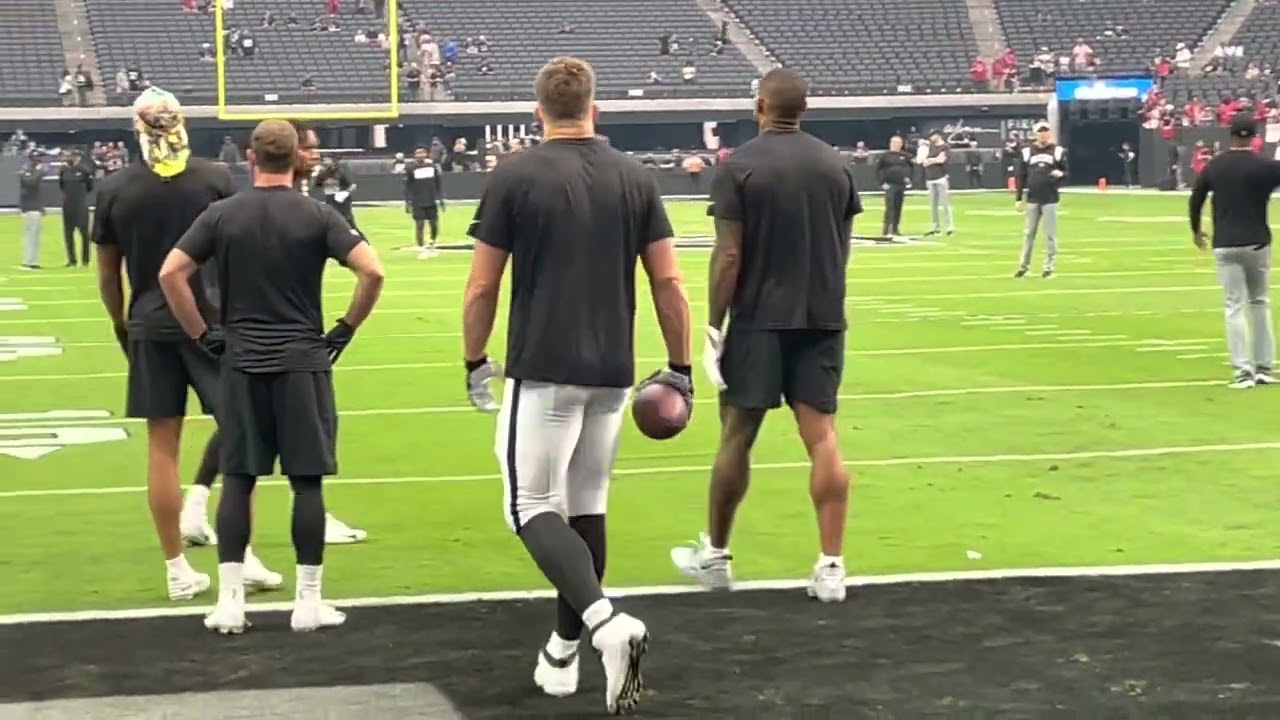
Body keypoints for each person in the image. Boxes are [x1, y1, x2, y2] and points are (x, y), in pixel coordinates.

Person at [461, 56, 691, 714]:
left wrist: (475, 358)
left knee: (529, 507)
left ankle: (604, 624)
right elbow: (668, 283)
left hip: (545, 367)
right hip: (612, 371)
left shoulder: (516, 174)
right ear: (596, 106)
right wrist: (678, 367)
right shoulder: (634, 175)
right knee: (585, 508)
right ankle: (562, 656)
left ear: (539, 112)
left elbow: (482, 284)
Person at [158, 119, 385, 633]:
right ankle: (307, 602)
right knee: (307, 483)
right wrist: (345, 329)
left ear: (250, 157)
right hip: (303, 362)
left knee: (237, 480)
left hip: (242, 361)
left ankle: (231, 602)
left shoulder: (221, 215)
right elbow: (372, 271)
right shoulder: (317, 214)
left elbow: (171, 272)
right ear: (298, 158)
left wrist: (202, 334)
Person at [669, 67, 860, 604]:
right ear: (805, 108)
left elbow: (729, 254)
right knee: (822, 436)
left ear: (760, 107)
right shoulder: (836, 165)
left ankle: (717, 556)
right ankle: (831, 566)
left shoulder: (740, 167)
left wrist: (713, 322)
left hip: (757, 316)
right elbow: (841, 249)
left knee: (737, 434)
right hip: (821, 314)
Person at [92, 87, 283, 601]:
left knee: (162, 447)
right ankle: (240, 558)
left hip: (150, 323)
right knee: (241, 437)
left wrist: (120, 322)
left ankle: (177, 568)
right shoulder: (214, 179)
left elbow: (108, 275)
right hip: (210, 321)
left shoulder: (114, 189)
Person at [1189, 111, 1278, 389]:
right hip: (1256, 242)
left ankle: (1242, 371)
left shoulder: (1215, 166)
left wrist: (1196, 229)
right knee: (1259, 303)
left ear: (1229, 135)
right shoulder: (1264, 166)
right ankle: (1264, 367)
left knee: (1234, 307)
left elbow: (1196, 197)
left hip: (1225, 243)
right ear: (1255, 137)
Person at [1014, 120, 1067, 279]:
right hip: (1032, 198)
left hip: (1050, 198)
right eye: (1040, 131)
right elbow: (1020, 176)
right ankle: (1024, 266)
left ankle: (1049, 267)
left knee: (1050, 234)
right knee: (1029, 233)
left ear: (1049, 133)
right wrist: (1018, 197)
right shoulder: (1027, 152)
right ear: (1035, 134)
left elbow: (1067, 173)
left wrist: (1059, 176)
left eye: (1045, 131)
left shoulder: (1058, 151)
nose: (1043, 134)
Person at [404, 144, 445, 258]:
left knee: (434, 223)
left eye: (422, 152)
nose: (420, 155)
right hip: (417, 201)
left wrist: (441, 198)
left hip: (431, 200)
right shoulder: (410, 168)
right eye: (417, 153)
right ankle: (420, 245)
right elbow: (408, 186)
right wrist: (408, 202)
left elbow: (438, 183)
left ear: (426, 154)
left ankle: (432, 241)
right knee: (420, 224)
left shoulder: (432, 167)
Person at [58, 150, 94, 267]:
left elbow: (90, 186)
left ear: (77, 157)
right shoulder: (63, 171)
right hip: (68, 205)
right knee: (68, 234)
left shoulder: (84, 170)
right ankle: (72, 260)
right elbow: (61, 186)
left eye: (72, 156)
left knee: (84, 234)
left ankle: (85, 260)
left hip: (81, 206)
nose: (69, 158)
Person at [313, 155, 362, 236]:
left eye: (326, 160)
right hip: (330, 198)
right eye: (323, 161)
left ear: (332, 161)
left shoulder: (340, 171)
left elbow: (353, 186)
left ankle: (362, 241)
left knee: (348, 222)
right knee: (331, 222)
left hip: (341, 199)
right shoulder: (323, 173)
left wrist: (345, 193)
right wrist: (314, 175)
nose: (324, 162)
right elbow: (317, 185)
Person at [875, 136, 910, 237]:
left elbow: (911, 167)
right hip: (890, 185)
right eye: (894, 143)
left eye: (899, 143)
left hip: (901, 185)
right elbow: (877, 170)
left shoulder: (904, 156)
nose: (896, 145)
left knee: (898, 207)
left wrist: (908, 178)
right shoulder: (885, 156)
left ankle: (895, 229)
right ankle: (886, 230)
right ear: (890, 144)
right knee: (890, 207)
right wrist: (882, 183)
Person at [923, 131, 955, 236]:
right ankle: (935, 227)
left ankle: (949, 226)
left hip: (941, 178)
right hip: (930, 178)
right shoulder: (931, 146)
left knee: (944, 203)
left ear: (938, 135)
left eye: (933, 135)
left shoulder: (945, 147)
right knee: (933, 205)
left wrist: (930, 160)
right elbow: (924, 160)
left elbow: (941, 160)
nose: (931, 138)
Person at [17, 151, 43, 270]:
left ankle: (30, 260)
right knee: (31, 235)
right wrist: (38, 171)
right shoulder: (34, 171)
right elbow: (31, 182)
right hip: (32, 207)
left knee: (31, 235)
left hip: (31, 207)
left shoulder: (26, 171)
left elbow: (28, 180)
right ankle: (30, 261)